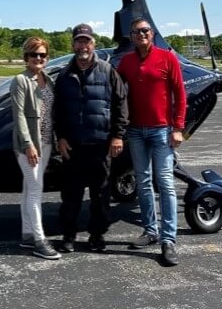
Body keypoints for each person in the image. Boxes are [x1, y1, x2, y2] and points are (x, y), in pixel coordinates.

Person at [117, 17, 187, 266]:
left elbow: (180, 93)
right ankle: (150, 231)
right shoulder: (126, 62)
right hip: (135, 131)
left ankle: (169, 239)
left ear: (153, 33)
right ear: (132, 37)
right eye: (136, 32)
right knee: (143, 181)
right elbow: (116, 90)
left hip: (161, 131)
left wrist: (178, 128)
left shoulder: (168, 58)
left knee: (165, 182)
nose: (141, 34)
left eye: (145, 30)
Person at [54, 23, 128, 253]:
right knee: (70, 196)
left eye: (86, 41)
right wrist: (61, 138)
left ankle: (97, 235)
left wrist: (117, 135)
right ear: (73, 44)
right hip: (74, 146)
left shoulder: (107, 71)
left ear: (93, 44)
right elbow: (57, 110)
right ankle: (68, 235)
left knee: (101, 196)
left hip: (101, 145)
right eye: (79, 41)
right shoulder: (64, 75)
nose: (82, 45)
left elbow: (121, 103)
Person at [10, 36, 61, 260]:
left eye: (42, 54)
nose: (38, 58)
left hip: (47, 142)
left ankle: (28, 234)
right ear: (26, 57)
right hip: (29, 145)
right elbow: (19, 115)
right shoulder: (20, 80)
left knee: (29, 189)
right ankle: (40, 241)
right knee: (35, 190)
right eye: (34, 54)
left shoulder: (47, 80)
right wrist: (28, 144)